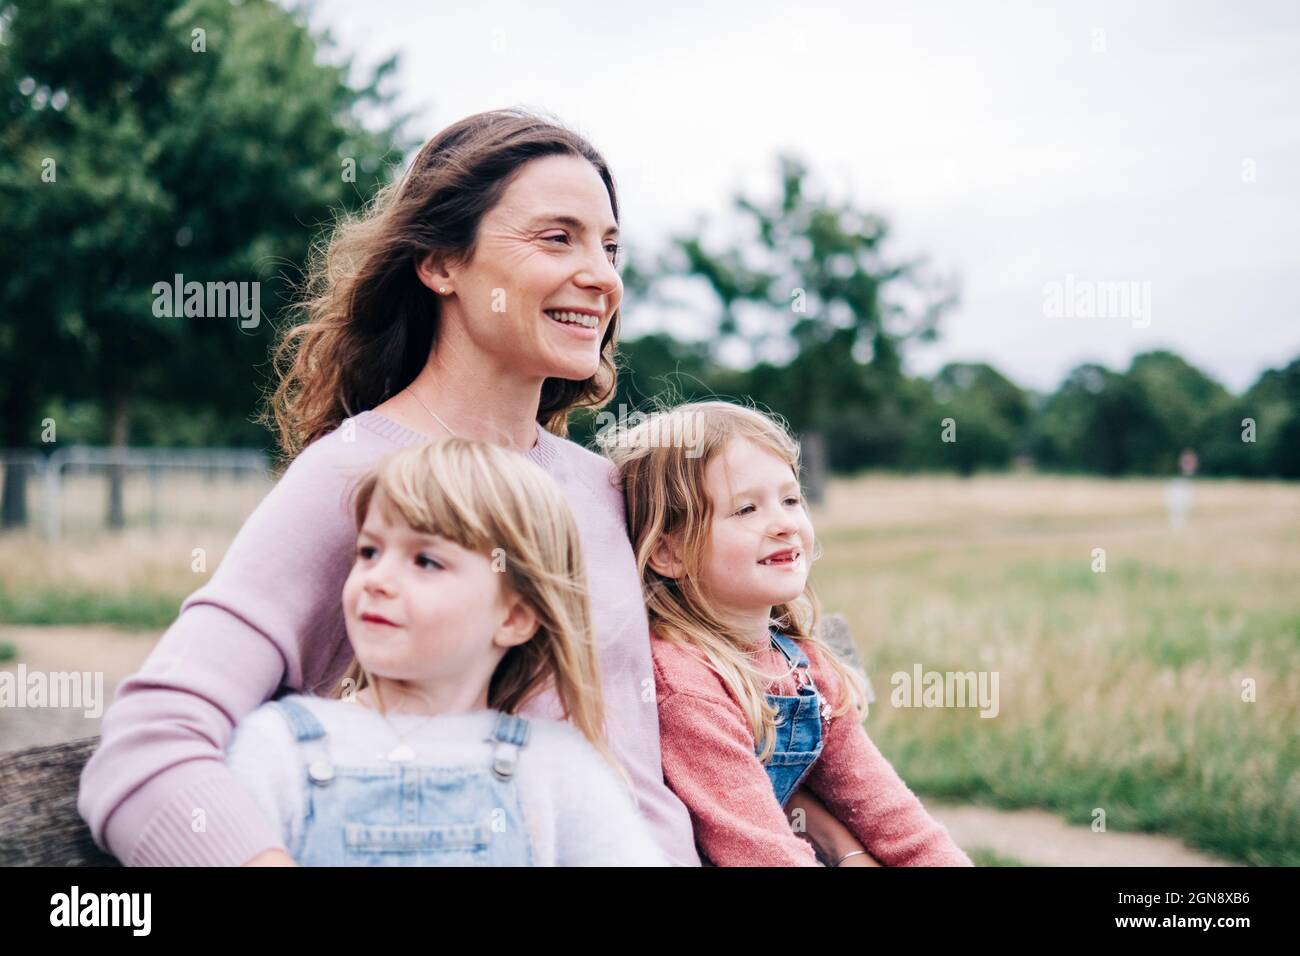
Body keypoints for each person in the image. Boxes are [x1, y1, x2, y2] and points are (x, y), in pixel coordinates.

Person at [77, 108, 854, 867]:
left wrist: (838, 841)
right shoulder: (358, 475)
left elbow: (707, 717)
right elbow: (150, 746)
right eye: (558, 238)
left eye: (611, 247)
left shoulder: (602, 487)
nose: (601, 277)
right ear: (442, 263)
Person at [224, 437, 666, 865]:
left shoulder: (556, 769)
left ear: (513, 618)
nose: (376, 579)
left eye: (426, 561)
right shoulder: (279, 747)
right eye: (370, 551)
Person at [599, 401, 974, 866]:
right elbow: (761, 852)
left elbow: (892, 817)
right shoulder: (683, 681)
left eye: (791, 499)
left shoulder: (809, 667)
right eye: (747, 509)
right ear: (669, 552)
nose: (783, 524)